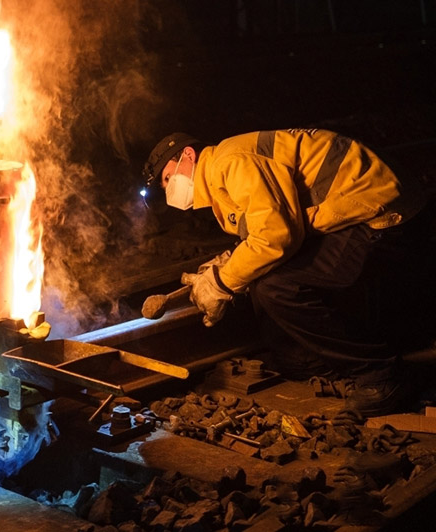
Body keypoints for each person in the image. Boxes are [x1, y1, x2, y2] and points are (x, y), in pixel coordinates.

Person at [141, 129, 432, 416]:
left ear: (188, 156)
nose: (169, 190)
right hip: (346, 209)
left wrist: (222, 282)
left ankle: (382, 373)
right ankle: (306, 360)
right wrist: (229, 264)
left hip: (378, 206)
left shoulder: (230, 163)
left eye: (168, 178)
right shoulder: (220, 178)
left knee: (277, 286)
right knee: (261, 273)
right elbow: (264, 227)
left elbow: (275, 237)